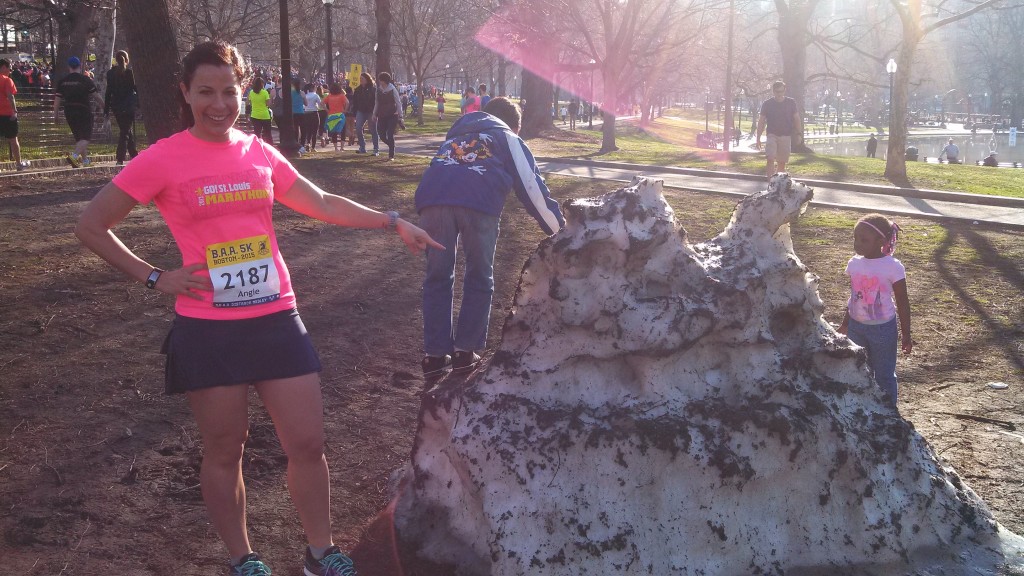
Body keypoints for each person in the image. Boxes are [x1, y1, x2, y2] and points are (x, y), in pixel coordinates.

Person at [74, 40, 441, 576]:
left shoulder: (257, 152)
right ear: (186, 92)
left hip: (275, 317)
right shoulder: (163, 157)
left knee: (308, 442)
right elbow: (91, 225)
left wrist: (390, 220)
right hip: (209, 329)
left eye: (229, 91)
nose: (219, 104)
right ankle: (243, 558)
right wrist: (156, 277)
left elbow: (320, 202)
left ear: (242, 92)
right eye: (206, 92)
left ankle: (321, 550)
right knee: (226, 450)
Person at [415, 97, 565, 379]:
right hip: (478, 203)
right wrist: (561, 231)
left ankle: (434, 355)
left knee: (437, 276)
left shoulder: (454, 137)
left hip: (432, 202)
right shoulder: (506, 137)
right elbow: (531, 187)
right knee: (479, 275)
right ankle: (465, 351)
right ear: (515, 126)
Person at [837, 214, 912, 409]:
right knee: (860, 369)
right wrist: (846, 323)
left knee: (884, 374)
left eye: (864, 240)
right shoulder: (854, 264)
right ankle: (864, 408)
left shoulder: (893, 267)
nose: (857, 243)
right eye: (855, 238)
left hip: (883, 330)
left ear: (881, 241)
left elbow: (903, 302)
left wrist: (906, 334)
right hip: (856, 327)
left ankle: (888, 413)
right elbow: (855, 296)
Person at [54, 56, 104, 168]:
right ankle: (74, 156)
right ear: (80, 66)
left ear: (68, 67)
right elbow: (96, 96)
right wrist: (104, 106)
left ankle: (85, 161)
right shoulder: (85, 80)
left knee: (79, 138)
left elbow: (57, 99)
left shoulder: (63, 81)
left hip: (69, 111)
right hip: (83, 110)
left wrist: (55, 114)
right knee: (86, 138)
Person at [754, 80, 800, 177]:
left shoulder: (791, 102)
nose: (779, 94)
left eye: (781, 91)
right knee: (770, 158)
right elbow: (761, 121)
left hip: (786, 135)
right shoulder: (767, 104)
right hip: (772, 134)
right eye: (777, 92)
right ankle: (770, 184)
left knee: (781, 162)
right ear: (773, 92)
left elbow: (796, 119)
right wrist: (758, 137)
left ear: (784, 91)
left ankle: (778, 185)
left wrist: (799, 134)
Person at [104, 50, 140, 165]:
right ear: (126, 60)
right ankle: (120, 157)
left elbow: (108, 92)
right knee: (125, 132)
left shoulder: (110, 74)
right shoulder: (130, 73)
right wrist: (138, 104)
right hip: (128, 106)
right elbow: (136, 89)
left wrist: (106, 109)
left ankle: (134, 155)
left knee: (126, 130)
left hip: (116, 106)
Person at [0, 58, 30, 171]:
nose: (10, 71)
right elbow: (10, 96)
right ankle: (18, 164)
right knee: (13, 139)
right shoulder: (7, 80)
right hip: (7, 114)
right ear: (3, 67)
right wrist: (15, 111)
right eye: (10, 68)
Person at [373, 71, 404, 162]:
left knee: (390, 134)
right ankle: (391, 145)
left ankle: (391, 155)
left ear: (384, 80)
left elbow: (398, 102)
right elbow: (377, 102)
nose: (379, 82)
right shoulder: (378, 90)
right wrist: (374, 113)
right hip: (382, 114)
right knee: (381, 134)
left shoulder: (392, 89)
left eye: (380, 80)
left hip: (392, 114)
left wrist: (400, 115)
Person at [352, 73, 378, 155]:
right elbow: (355, 102)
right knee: (358, 128)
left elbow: (376, 102)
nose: (361, 80)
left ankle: (376, 149)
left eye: (362, 79)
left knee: (373, 130)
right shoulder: (357, 90)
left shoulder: (373, 89)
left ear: (367, 79)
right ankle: (362, 147)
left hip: (371, 111)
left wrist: (376, 113)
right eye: (360, 79)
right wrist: (354, 114)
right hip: (361, 111)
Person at [247, 76, 273, 145]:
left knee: (257, 133)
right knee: (268, 133)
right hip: (265, 115)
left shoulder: (251, 92)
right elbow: (268, 104)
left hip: (255, 115)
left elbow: (248, 103)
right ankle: (270, 146)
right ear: (262, 84)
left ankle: (258, 147)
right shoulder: (265, 93)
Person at [322, 82, 348, 151]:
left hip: (331, 115)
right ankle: (342, 147)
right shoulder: (342, 96)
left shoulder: (329, 96)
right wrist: (345, 110)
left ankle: (336, 148)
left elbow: (322, 103)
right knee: (343, 131)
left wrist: (327, 110)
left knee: (334, 132)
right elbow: (347, 102)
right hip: (340, 115)